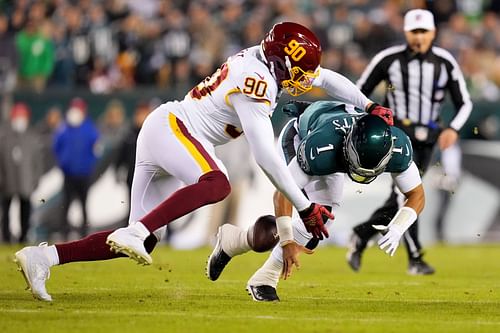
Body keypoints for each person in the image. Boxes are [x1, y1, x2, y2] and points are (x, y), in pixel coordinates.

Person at [14, 22, 393, 302]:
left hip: (168, 133)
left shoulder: (265, 63)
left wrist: (368, 104)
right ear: (280, 64)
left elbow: (327, 79)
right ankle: (132, 232)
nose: (304, 81)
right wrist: (306, 205)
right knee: (217, 183)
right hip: (174, 128)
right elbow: (265, 155)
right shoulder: (256, 83)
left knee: (142, 236)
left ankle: (44, 257)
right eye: (297, 73)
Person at [206, 100, 424, 301]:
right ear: (349, 146)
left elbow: (417, 195)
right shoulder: (320, 148)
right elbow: (283, 193)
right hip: (301, 136)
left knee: (319, 223)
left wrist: (398, 228)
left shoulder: (398, 147)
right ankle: (265, 278)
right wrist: (287, 241)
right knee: (314, 218)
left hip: (334, 139)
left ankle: (234, 241)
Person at [346, 9, 472, 275]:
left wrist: (453, 128)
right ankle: (415, 258)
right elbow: (357, 93)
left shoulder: (445, 62)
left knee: (405, 196)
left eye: (423, 31)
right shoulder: (388, 59)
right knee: (408, 194)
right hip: (397, 137)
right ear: (405, 32)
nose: (419, 37)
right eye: (414, 31)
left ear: (433, 33)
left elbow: (464, 102)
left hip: (428, 141)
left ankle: (361, 234)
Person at [53, 97, 100, 240]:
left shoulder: (90, 129)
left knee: (83, 204)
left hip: (84, 174)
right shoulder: (63, 128)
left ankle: (84, 234)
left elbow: (96, 150)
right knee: (66, 204)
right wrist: (64, 164)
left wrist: (88, 165)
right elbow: (56, 148)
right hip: (69, 173)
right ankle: (64, 233)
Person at [0, 103, 44, 243]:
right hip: (8, 181)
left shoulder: (32, 137)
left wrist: (35, 180)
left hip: (26, 181)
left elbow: (38, 162)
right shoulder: (4, 137)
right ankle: (6, 237)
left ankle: (23, 236)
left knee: (25, 211)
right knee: (5, 211)